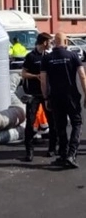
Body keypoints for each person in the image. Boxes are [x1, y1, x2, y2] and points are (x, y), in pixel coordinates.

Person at [40, 32, 86, 168]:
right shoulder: (72, 56)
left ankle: (63, 155)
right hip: (71, 95)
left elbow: (43, 80)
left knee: (60, 125)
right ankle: (71, 154)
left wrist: (46, 97)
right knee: (76, 123)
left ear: (54, 42)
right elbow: (82, 76)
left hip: (55, 96)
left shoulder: (47, 58)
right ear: (65, 42)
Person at [20, 32, 55, 161]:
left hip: (47, 94)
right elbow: (23, 74)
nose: (50, 44)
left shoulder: (49, 56)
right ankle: (29, 151)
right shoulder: (31, 57)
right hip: (33, 94)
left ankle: (52, 149)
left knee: (52, 121)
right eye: (49, 41)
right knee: (30, 122)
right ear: (44, 42)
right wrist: (36, 77)